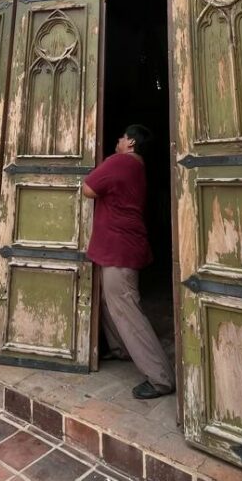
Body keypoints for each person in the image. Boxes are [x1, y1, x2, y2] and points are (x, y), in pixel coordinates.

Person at [82, 124, 175, 399]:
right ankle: (120, 349)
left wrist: (108, 161)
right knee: (110, 302)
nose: (118, 140)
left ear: (131, 143)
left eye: (121, 137)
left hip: (120, 248)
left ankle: (160, 377)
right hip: (118, 245)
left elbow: (88, 188)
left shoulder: (122, 162)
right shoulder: (137, 166)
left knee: (126, 310)